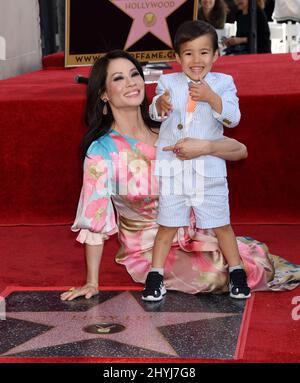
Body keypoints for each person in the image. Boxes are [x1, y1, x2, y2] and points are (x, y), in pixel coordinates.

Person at [60, 49, 300, 302]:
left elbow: (240, 150)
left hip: (194, 233)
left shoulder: (170, 130)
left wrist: (206, 147)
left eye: (134, 74)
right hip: (149, 248)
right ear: (103, 94)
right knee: (217, 277)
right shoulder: (102, 151)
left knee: (249, 262)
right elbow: (94, 218)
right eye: (118, 78)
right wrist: (92, 282)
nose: (131, 83)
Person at [142, 20, 250, 302]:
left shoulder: (223, 83)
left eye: (204, 52)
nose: (196, 59)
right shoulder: (168, 82)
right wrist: (160, 106)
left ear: (216, 55)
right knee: (167, 223)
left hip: (208, 169)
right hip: (174, 169)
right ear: (177, 57)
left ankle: (236, 270)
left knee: (221, 223)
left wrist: (212, 98)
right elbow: (154, 112)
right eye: (188, 53)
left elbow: (232, 118)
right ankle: (155, 275)